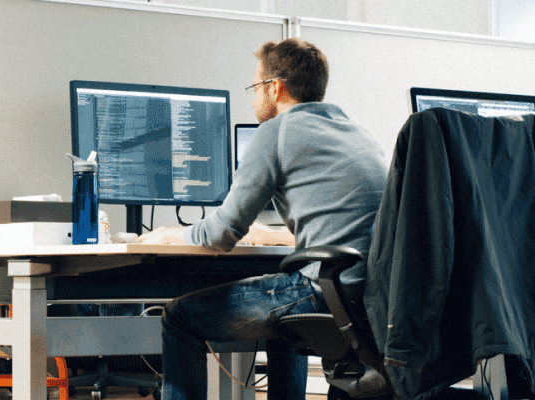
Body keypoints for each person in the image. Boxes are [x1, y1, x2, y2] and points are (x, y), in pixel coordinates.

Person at [136, 38, 388, 400]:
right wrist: (272, 236)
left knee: (179, 317)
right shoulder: (357, 132)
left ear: (275, 88)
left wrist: (171, 235)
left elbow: (222, 232)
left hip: (327, 294)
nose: (254, 98)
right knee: (283, 322)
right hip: (371, 296)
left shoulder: (276, 132)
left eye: (255, 87)